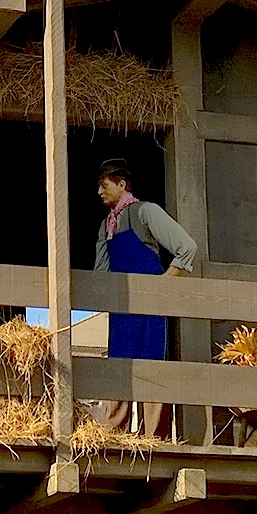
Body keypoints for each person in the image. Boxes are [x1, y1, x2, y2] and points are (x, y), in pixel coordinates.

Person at [92, 159, 198, 435]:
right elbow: (101, 273)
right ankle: (115, 437)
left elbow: (187, 247)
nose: (99, 192)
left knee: (151, 366)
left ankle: (154, 440)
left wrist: (163, 285)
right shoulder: (106, 227)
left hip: (150, 306)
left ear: (121, 184)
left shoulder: (145, 212)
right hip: (122, 309)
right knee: (119, 366)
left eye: (104, 185)